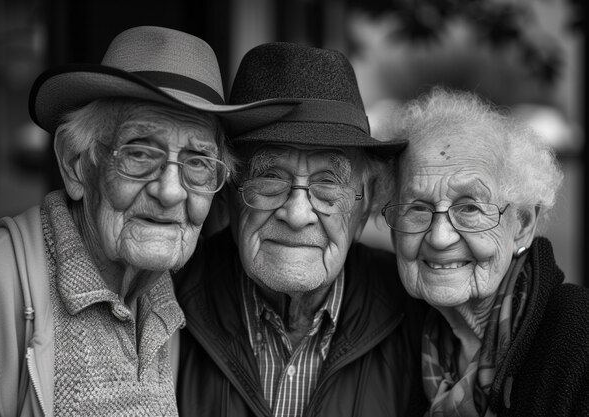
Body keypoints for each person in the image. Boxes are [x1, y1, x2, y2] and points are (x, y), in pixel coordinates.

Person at [0, 26, 295, 417]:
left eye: (198, 162)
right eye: (139, 153)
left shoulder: (162, 309)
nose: (171, 191)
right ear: (76, 165)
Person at [175, 42, 428, 417]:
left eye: (329, 184)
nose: (297, 214)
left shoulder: (417, 317)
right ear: (228, 193)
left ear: (367, 202)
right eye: (270, 177)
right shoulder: (168, 305)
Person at [377, 87, 589, 416]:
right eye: (418, 208)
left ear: (522, 223)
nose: (440, 237)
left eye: (470, 208)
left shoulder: (579, 340)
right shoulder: (399, 338)